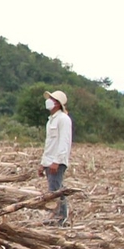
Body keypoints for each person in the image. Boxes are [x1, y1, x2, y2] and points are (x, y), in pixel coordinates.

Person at [41, 90, 72, 224]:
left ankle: (59, 218)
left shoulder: (63, 119)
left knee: (55, 191)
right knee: (56, 189)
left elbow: (64, 142)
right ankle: (59, 217)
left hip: (56, 162)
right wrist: (43, 163)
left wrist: (57, 161)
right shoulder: (51, 121)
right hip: (50, 161)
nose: (49, 101)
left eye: (52, 99)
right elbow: (50, 144)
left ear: (58, 104)